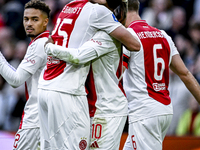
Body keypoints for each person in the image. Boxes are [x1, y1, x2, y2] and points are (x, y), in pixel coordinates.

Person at [38, 0, 140, 149]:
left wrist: (49, 48)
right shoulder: (89, 23)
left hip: (107, 107)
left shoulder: (103, 33)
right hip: (87, 102)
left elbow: (79, 56)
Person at [122, 0, 200, 150]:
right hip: (163, 109)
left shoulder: (128, 37)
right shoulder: (162, 34)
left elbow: (117, 75)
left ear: (121, 11)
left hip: (144, 113)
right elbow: (185, 74)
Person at [0, 0, 50, 149]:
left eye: (35, 19)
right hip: (47, 115)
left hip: (35, 118)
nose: (29, 23)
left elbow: (16, 80)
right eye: (26, 19)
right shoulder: (48, 42)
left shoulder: (39, 44)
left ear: (45, 21)